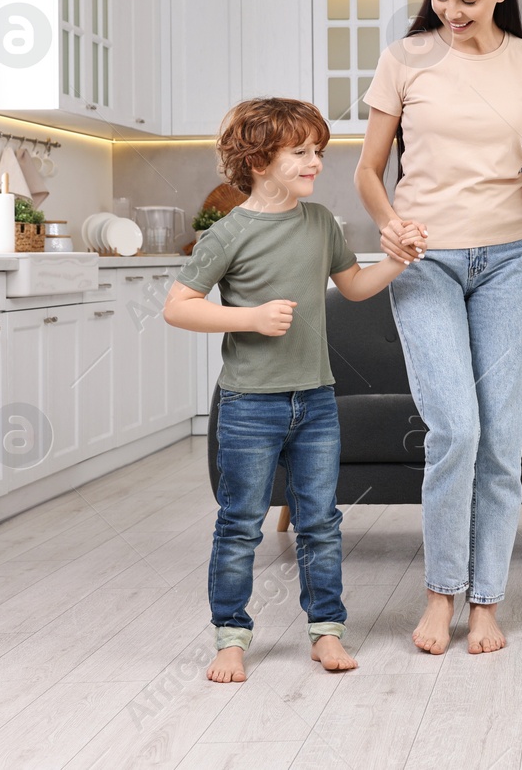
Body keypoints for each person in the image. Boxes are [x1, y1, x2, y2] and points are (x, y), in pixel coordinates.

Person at [356, 0, 522, 656]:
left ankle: (486, 603)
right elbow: (367, 172)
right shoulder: (404, 60)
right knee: (457, 429)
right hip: (425, 262)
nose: (450, 9)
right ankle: (439, 594)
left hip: (509, 259)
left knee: (503, 440)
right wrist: (391, 226)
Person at [165, 97, 408, 683]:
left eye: (317, 152)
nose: (315, 162)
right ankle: (231, 637)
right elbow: (178, 308)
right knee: (241, 521)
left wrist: (398, 260)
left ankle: (326, 632)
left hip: (316, 399)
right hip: (250, 403)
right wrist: (248, 319)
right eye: (300, 152)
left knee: (321, 520)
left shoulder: (321, 221)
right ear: (257, 160)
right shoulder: (227, 235)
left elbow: (352, 286)